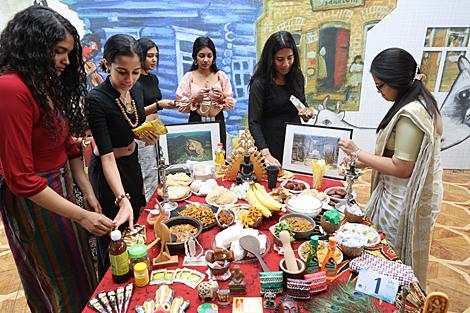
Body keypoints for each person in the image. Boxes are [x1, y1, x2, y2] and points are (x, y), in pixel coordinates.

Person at [0, 6, 114, 312]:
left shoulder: (45, 84)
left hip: (61, 186)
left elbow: (68, 147)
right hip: (34, 200)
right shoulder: (10, 88)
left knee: (80, 269)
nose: (66, 60)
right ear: (34, 47)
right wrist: (80, 215)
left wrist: (87, 194)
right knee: (57, 280)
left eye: (68, 52)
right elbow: (20, 178)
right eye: (59, 52)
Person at [337, 48, 443, 287]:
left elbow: (402, 167)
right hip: (408, 189)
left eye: (380, 86)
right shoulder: (423, 100)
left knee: (390, 251)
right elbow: (402, 155)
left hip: (403, 196)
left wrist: (358, 152)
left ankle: (390, 294)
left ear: (395, 81)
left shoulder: (410, 113)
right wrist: (363, 160)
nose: (379, 92)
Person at [87, 34, 160, 280]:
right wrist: (121, 198)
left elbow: (130, 127)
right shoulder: (97, 99)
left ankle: (140, 275)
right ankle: (113, 287)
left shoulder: (136, 89)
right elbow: (106, 156)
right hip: (109, 173)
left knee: (136, 226)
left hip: (131, 164)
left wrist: (142, 136)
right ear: (106, 65)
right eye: (122, 72)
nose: (129, 79)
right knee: (114, 233)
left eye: (136, 72)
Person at [248, 31, 313, 167]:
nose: (286, 64)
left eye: (290, 57)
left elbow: (300, 102)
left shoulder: (297, 76)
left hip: (295, 144)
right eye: (280, 59)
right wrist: (265, 154)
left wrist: (306, 112)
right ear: (270, 59)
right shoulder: (260, 83)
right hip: (269, 146)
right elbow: (254, 123)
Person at [176, 36, 236, 150]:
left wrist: (221, 96)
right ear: (195, 57)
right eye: (201, 56)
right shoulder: (189, 77)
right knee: (196, 154)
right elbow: (180, 104)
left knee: (220, 155)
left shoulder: (220, 75)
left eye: (209, 56)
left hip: (218, 120)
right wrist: (194, 98)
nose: (205, 60)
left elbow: (230, 102)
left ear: (213, 57)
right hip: (196, 120)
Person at [136, 38, 176, 202]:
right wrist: (159, 105)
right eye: (150, 56)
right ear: (140, 56)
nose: (154, 60)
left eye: (156, 56)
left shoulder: (153, 78)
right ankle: (152, 209)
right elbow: (135, 114)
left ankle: (164, 203)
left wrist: (167, 105)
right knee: (149, 172)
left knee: (162, 168)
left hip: (157, 127)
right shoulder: (134, 80)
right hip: (143, 129)